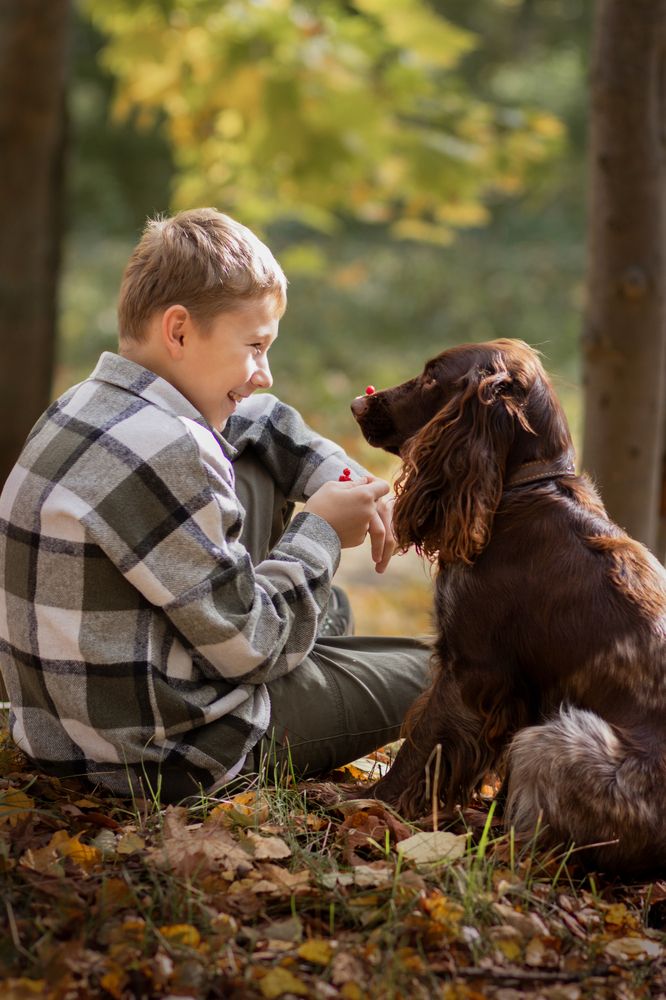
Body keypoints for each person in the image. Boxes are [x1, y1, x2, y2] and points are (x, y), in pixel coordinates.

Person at [0, 208, 430, 802]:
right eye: (254, 346)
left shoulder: (85, 404)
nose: (266, 373)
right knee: (442, 672)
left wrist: (341, 474)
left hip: (61, 730)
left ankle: (309, 649)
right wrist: (323, 531)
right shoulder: (170, 450)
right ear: (178, 331)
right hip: (163, 755)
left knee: (331, 607)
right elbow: (249, 650)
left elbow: (263, 420)